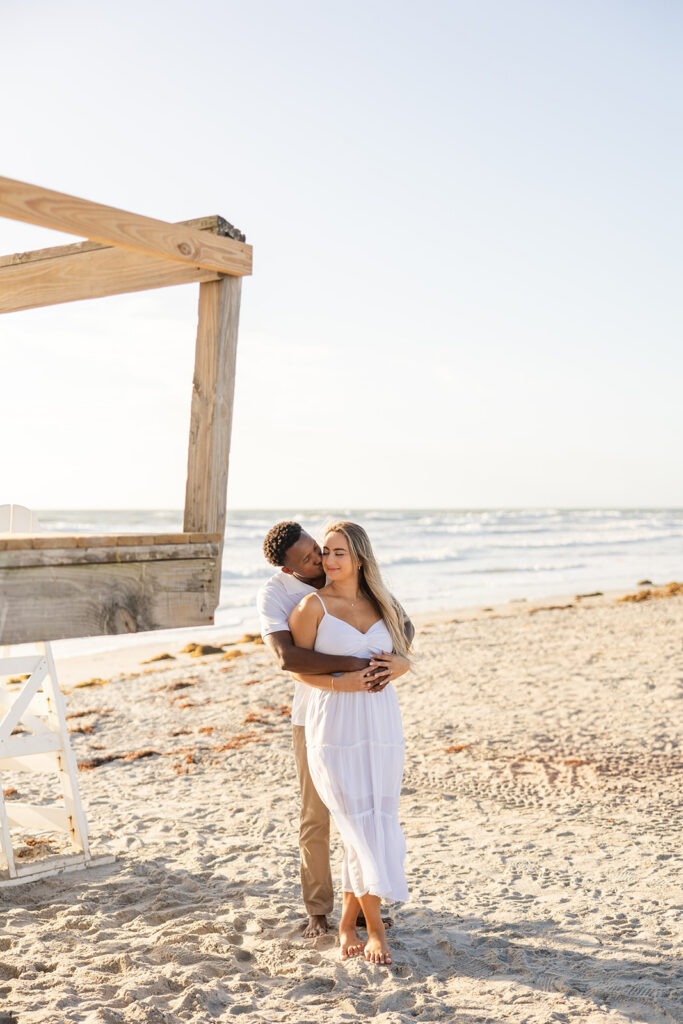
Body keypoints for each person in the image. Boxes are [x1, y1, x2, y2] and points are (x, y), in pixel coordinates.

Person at [257, 521, 411, 939]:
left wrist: (401, 663)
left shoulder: (352, 580)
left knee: (367, 807)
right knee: (318, 814)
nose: (321, 561)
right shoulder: (280, 595)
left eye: (321, 550)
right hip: (315, 714)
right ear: (290, 569)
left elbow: (403, 628)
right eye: (310, 558)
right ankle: (319, 911)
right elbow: (289, 659)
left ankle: (364, 907)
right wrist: (350, 673)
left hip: (371, 715)